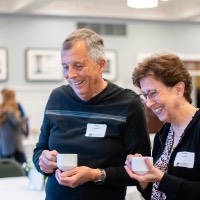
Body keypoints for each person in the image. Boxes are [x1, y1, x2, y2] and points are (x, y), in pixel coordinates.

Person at [33, 28, 151, 200]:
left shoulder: (128, 103)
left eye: (78, 66)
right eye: (65, 67)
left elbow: (142, 171)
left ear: (101, 64)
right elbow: (39, 150)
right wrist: (42, 161)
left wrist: (96, 175)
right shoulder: (57, 97)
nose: (70, 74)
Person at [124, 53, 200, 200]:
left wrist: (162, 179)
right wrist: (143, 176)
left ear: (179, 90)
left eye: (153, 93)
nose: (149, 103)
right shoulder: (164, 133)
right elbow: (154, 193)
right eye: (145, 95)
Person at [0, 89, 28, 164]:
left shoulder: (2, 109)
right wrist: (25, 118)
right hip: (15, 144)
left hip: (5, 144)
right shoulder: (11, 110)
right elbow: (17, 123)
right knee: (22, 163)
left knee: (5, 165)